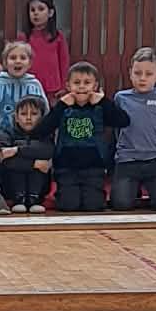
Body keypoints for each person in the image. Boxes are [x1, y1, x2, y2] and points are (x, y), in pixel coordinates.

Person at [41, 63, 129, 213]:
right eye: (76, 82)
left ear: (95, 86)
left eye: (87, 82)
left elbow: (123, 121)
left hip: (94, 168)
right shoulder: (63, 107)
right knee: (69, 205)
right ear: (68, 86)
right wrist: (61, 105)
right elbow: (43, 129)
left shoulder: (101, 107)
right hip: (66, 168)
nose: (81, 86)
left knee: (93, 206)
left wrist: (104, 101)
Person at [110, 49, 156, 211]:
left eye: (148, 74)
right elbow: (117, 130)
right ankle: (133, 188)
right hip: (128, 160)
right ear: (130, 73)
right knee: (120, 204)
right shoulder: (121, 98)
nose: (142, 78)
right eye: (137, 73)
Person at [0, 40, 48, 141]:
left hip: (29, 132)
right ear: (5, 63)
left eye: (23, 58)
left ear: (29, 63)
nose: (18, 61)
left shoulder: (34, 85)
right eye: (13, 58)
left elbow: (45, 110)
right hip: (0, 131)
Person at [0, 92, 54, 212]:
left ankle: (34, 199)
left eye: (34, 114)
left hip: (40, 186)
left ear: (42, 117)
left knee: (38, 162)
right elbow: (5, 160)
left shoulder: (46, 134)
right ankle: (19, 199)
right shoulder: (6, 134)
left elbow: (47, 151)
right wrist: (34, 164)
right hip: (10, 187)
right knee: (22, 165)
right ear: (16, 117)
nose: (28, 118)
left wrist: (17, 150)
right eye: (23, 114)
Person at [24, 0, 69, 101]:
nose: (36, 13)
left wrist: (64, 86)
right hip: (30, 87)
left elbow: (64, 62)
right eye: (32, 10)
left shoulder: (58, 37)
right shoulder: (24, 37)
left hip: (53, 89)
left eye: (41, 9)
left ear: (50, 13)